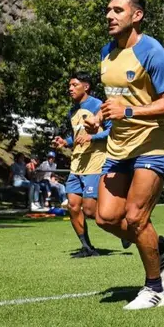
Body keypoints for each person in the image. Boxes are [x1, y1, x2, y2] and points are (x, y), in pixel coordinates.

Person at [83, 0, 164, 310]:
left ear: (136, 16)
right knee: (105, 217)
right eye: (108, 10)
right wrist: (99, 119)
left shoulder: (152, 51)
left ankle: (155, 289)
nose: (109, 16)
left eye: (117, 11)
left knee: (137, 217)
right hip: (118, 146)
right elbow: (115, 100)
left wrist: (128, 112)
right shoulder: (106, 52)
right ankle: (159, 248)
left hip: (153, 143)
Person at [53, 72, 107, 257]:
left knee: (91, 210)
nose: (70, 88)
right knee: (73, 206)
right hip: (77, 164)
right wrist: (65, 142)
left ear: (86, 87)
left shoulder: (98, 105)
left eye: (74, 85)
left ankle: (122, 224)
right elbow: (77, 136)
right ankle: (87, 248)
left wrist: (92, 137)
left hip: (95, 161)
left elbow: (112, 131)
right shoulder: (73, 111)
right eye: (69, 85)